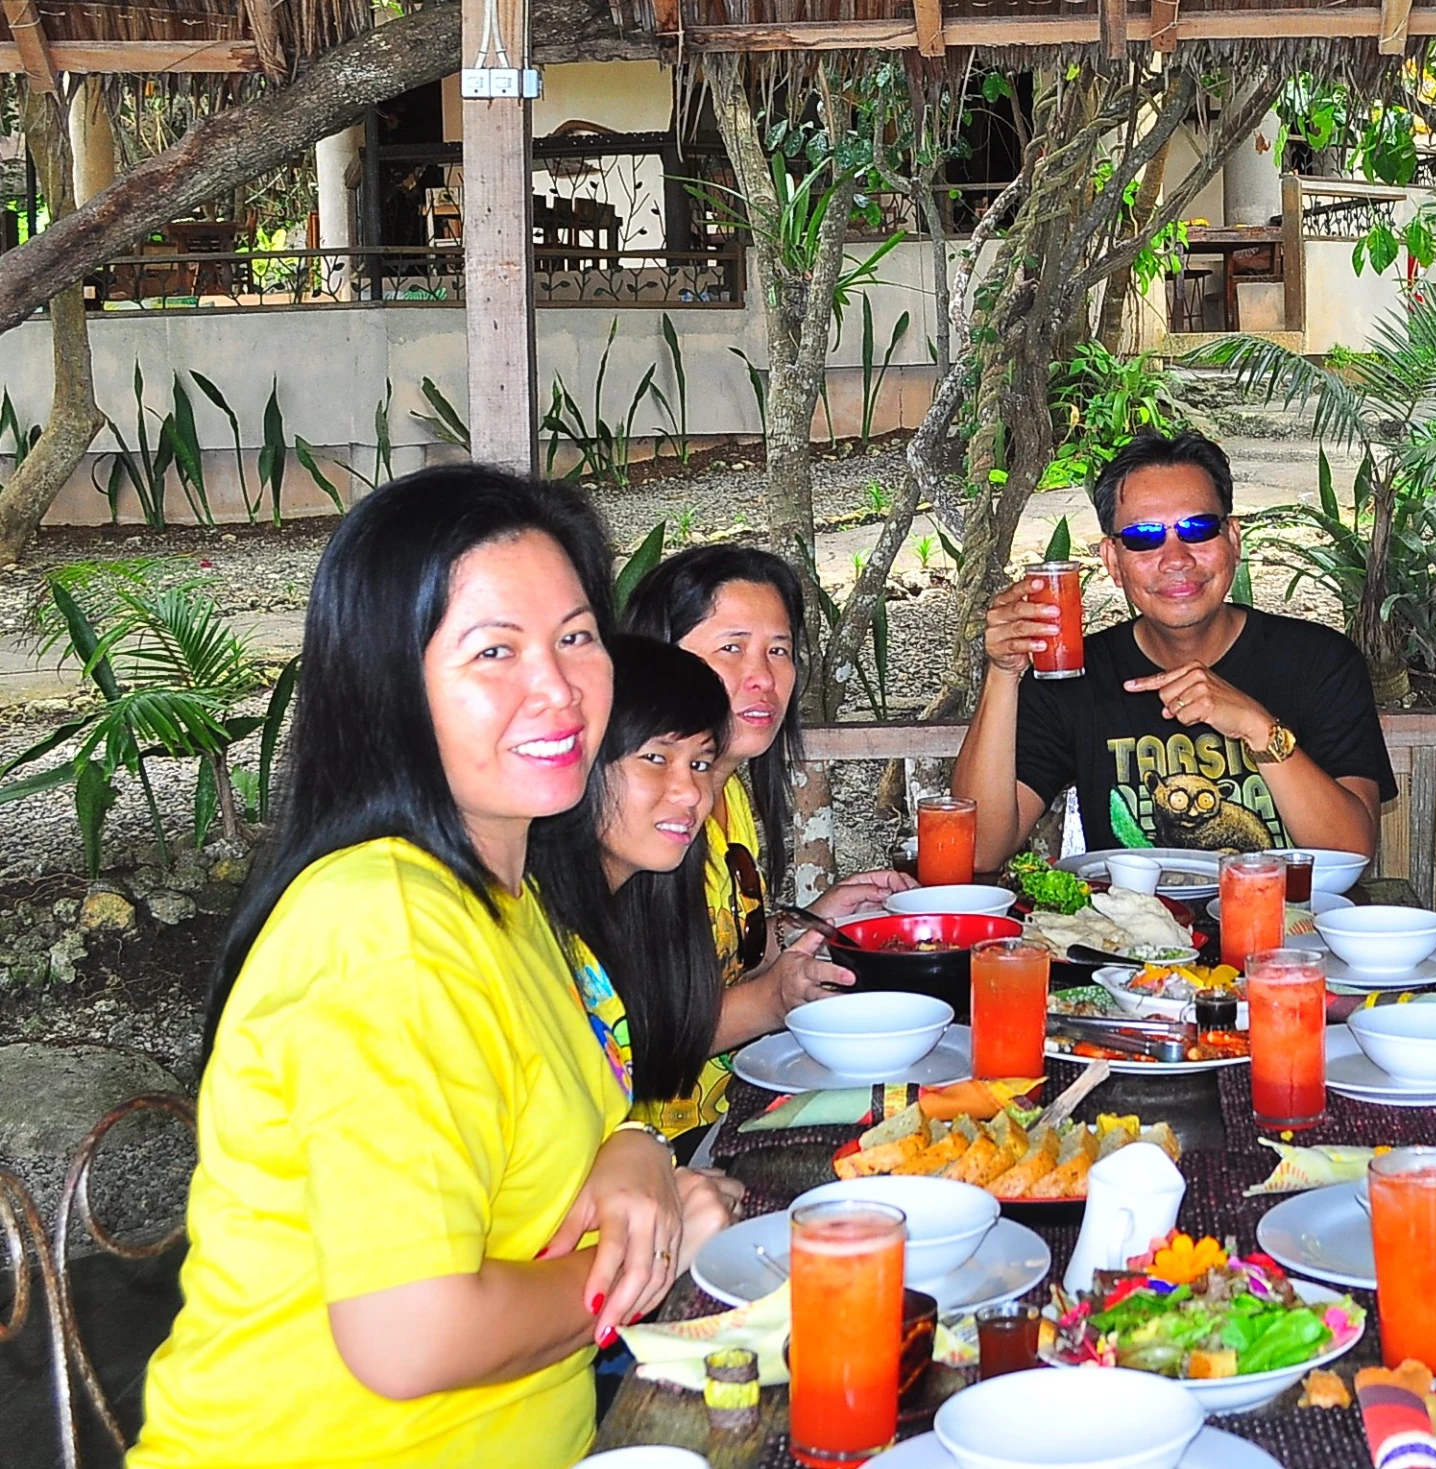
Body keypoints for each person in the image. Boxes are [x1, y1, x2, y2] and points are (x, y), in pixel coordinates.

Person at [131, 469, 734, 1469]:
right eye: (493, 649)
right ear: (389, 684)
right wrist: (651, 1254)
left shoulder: (512, 897)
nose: (557, 686)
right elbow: (413, 1336)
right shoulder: (385, 928)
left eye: (576, 636)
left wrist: (634, 1149)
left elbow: (561, 1102)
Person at [953, 431, 1396, 868]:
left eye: (1198, 529)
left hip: (1285, 932)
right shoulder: (1077, 679)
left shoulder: (1319, 662)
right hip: (1134, 937)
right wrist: (1003, 672)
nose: (1176, 558)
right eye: (1145, 537)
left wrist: (1259, 729)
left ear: (1233, 541)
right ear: (1113, 562)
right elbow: (977, 851)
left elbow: (1351, 851)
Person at [622, 546, 913, 1140]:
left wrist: (813, 924)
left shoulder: (724, 793)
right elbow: (635, 1033)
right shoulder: (637, 815)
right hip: (648, 1146)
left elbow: (721, 963)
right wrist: (773, 1000)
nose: (763, 677)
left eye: (778, 650)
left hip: (723, 1109)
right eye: (732, 648)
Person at [529, 635, 746, 1123]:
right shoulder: (531, 929)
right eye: (655, 758)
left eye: (699, 763)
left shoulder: (646, 898)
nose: (690, 792)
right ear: (576, 757)